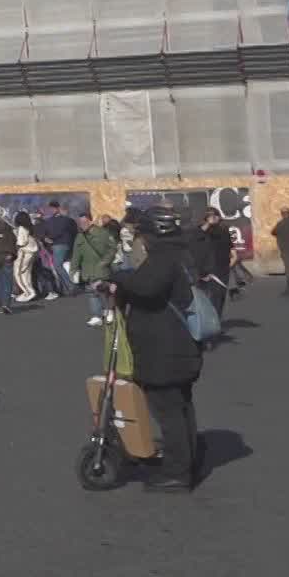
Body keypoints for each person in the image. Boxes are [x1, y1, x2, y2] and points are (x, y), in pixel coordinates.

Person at [95, 208, 204, 492]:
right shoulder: (181, 254)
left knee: (169, 411)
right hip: (179, 346)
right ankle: (188, 461)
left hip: (165, 349)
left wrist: (118, 278)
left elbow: (147, 287)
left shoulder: (163, 258)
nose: (138, 239)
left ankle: (177, 473)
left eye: (141, 234)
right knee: (181, 407)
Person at [72, 216, 119, 328]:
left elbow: (113, 248)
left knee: (105, 291)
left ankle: (109, 310)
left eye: (84, 222)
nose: (82, 224)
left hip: (102, 268)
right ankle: (96, 315)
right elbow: (76, 255)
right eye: (80, 222)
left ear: (90, 221)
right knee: (92, 292)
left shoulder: (103, 233)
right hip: (87, 269)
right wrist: (73, 269)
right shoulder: (79, 236)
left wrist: (105, 261)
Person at [11, 211, 43, 303]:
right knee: (26, 274)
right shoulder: (29, 227)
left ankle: (29, 292)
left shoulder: (21, 228)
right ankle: (28, 292)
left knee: (18, 274)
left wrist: (16, 241)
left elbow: (21, 242)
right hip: (31, 253)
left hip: (24, 253)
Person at [272, 207, 289, 292]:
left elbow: (273, 232)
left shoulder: (279, 224)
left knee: (288, 268)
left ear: (282, 214)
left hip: (285, 249)